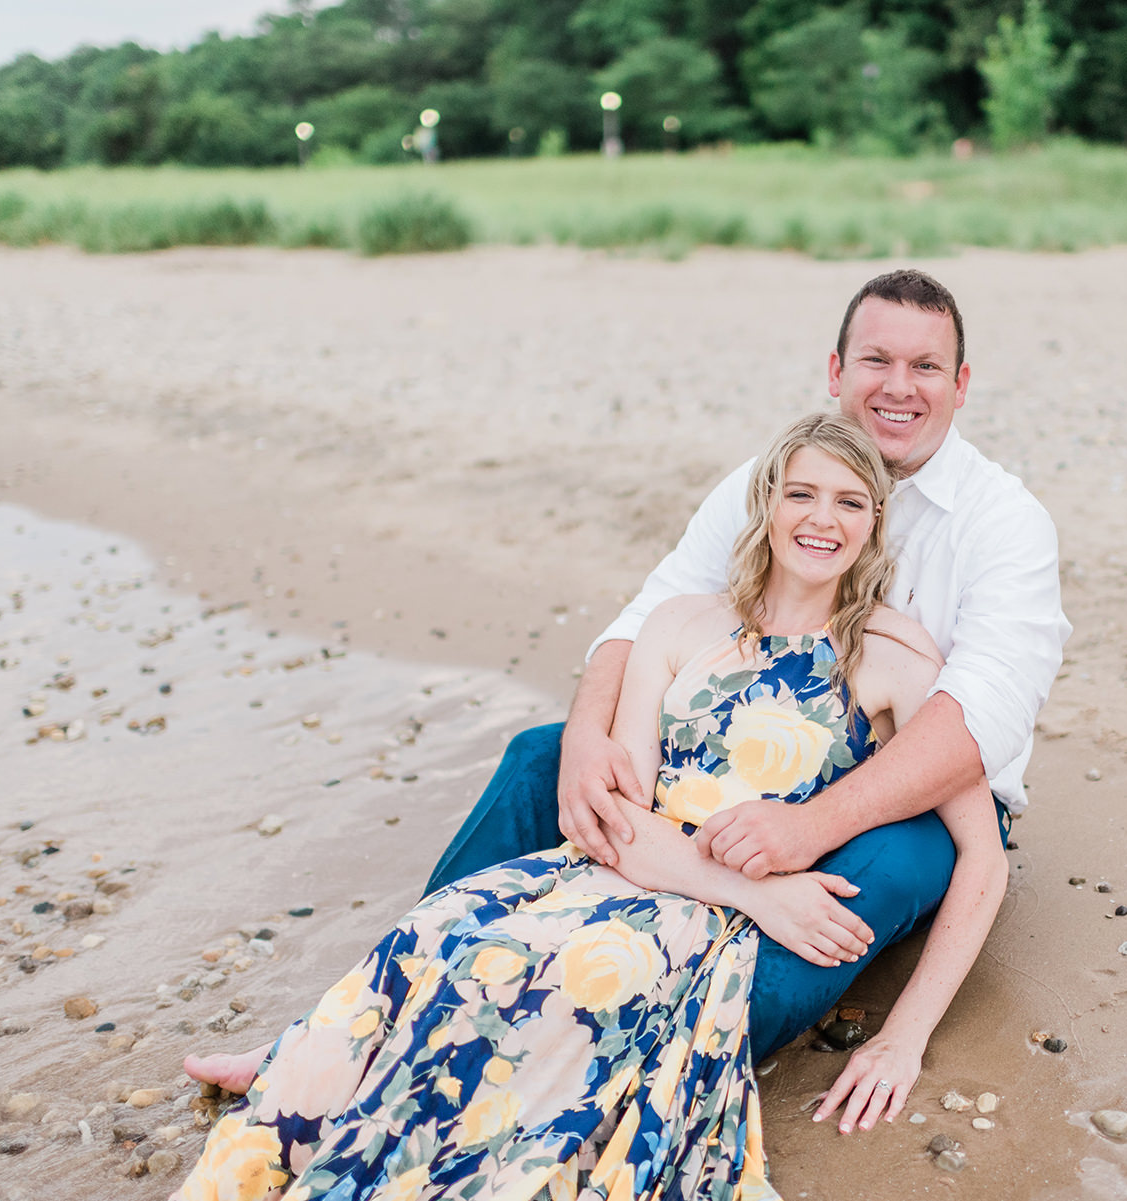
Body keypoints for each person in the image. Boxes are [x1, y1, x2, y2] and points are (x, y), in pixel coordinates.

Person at [188, 267, 1069, 1084]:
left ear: (960, 385)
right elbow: (647, 615)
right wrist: (584, 735)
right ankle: (356, 1029)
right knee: (538, 761)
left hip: (910, 795)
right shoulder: (766, 485)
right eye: (876, 359)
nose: (898, 386)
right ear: (836, 369)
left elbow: (976, 719)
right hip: (739, 761)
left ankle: (623, 1058)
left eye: (926, 366)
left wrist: (809, 827)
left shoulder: (1003, 522)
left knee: (841, 889)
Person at [175, 414, 1008, 1200]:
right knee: (452, 940)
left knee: (567, 992)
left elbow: (984, 855)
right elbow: (619, 816)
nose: (822, 519)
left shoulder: (893, 656)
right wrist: (752, 889)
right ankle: (315, 1097)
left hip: (695, 927)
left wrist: (904, 1037)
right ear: (766, 505)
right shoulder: (682, 626)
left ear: (873, 523)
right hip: (632, 872)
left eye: (849, 501)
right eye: (801, 493)